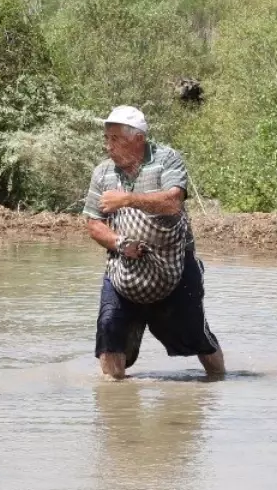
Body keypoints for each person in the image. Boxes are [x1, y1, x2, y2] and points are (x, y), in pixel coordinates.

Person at [83, 105, 225, 380]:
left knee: (196, 333)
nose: (107, 146)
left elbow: (173, 203)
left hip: (176, 261)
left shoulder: (166, 159)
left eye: (114, 139)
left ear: (137, 138)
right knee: (109, 326)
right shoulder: (103, 173)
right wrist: (120, 244)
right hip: (124, 265)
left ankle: (218, 383)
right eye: (106, 138)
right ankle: (114, 402)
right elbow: (93, 223)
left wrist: (126, 199)